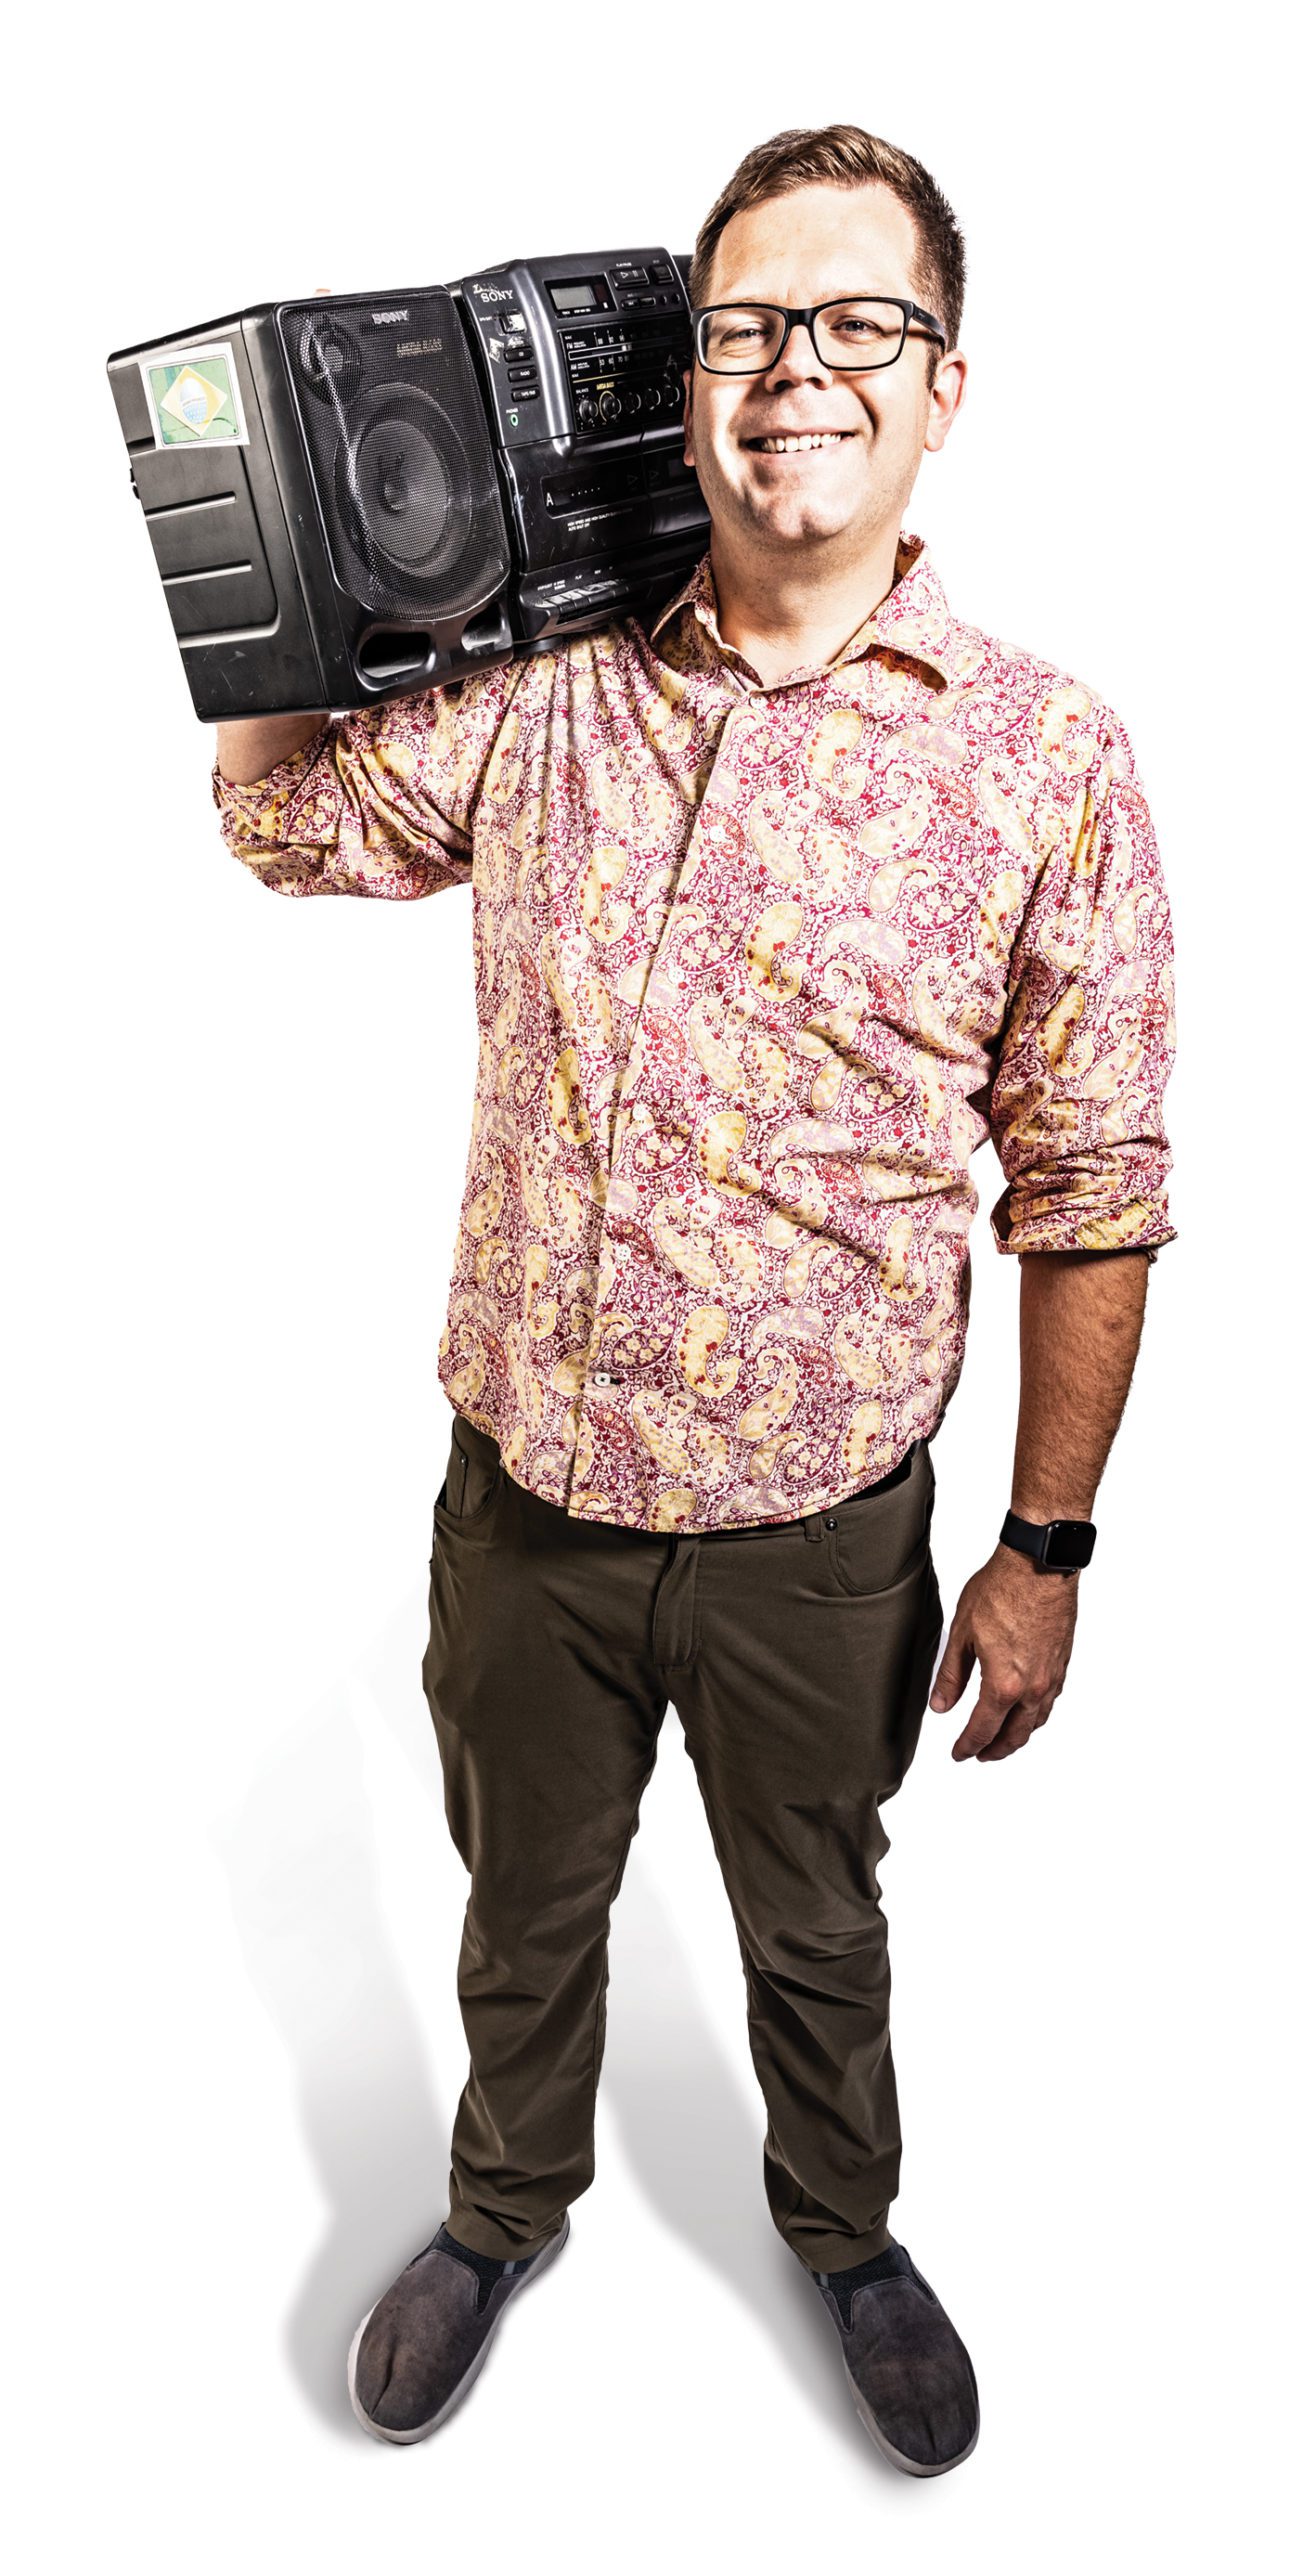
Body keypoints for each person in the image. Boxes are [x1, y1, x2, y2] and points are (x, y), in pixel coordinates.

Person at [212, 125, 1177, 2476]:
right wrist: (291, 530)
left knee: (815, 1924)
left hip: (812, 1529)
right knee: (521, 1901)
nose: (796, 370)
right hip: (522, 1492)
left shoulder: (1042, 756)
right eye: (747, 323)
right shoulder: (550, 694)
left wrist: (1040, 1549)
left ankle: (841, 2224)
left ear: (944, 387)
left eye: (858, 323)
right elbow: (282, 817)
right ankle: (495, 2204)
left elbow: (1094, 1182)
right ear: (685, 382)